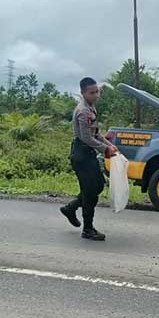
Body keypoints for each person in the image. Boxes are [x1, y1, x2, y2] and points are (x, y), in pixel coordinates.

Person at [60, 77, 118, 241]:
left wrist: (109, 145)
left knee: (98, 185)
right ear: (83, 93)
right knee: (90, 193)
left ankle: (70, 208)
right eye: (92, 93)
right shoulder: (84, 111)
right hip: (81, 155)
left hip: (88, 153)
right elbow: (86, 138)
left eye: (97, 91)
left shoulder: (91, 108)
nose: (96, 95)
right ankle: (88, 229)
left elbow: (96, 134)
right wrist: (105, 149)